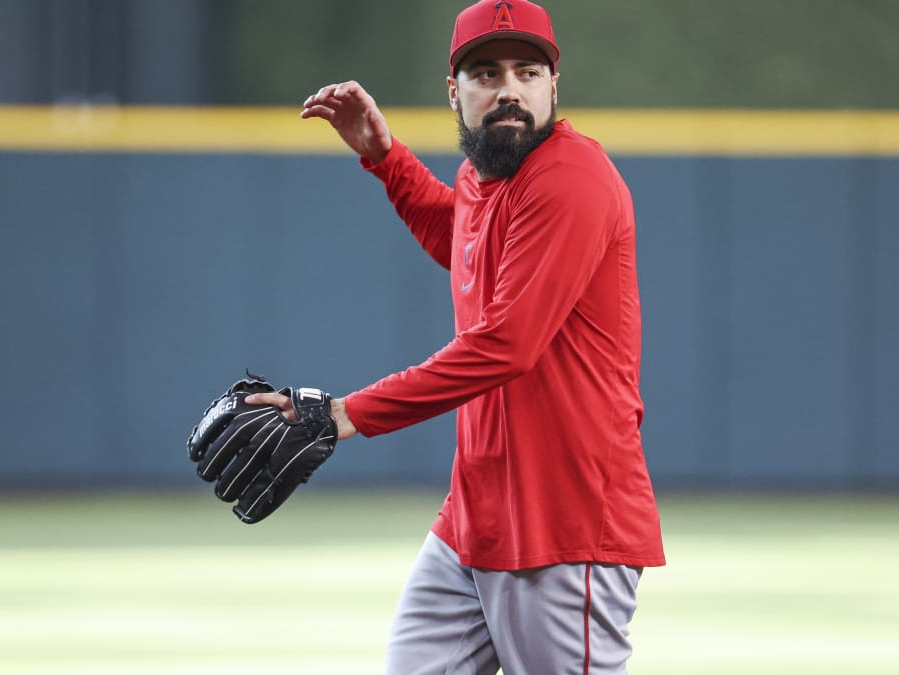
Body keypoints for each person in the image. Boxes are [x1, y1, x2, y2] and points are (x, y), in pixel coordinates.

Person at [248, 1, 665, 672]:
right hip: (474, 517)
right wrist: (386, 159)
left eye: (527, 71)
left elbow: (507, 344)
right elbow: (464, 241)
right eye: (486, 72)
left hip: (566, 522)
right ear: (455, 91)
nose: (508, 89)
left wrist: (344, 414)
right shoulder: (484, 173)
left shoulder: (572, 179)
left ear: (554, 84)